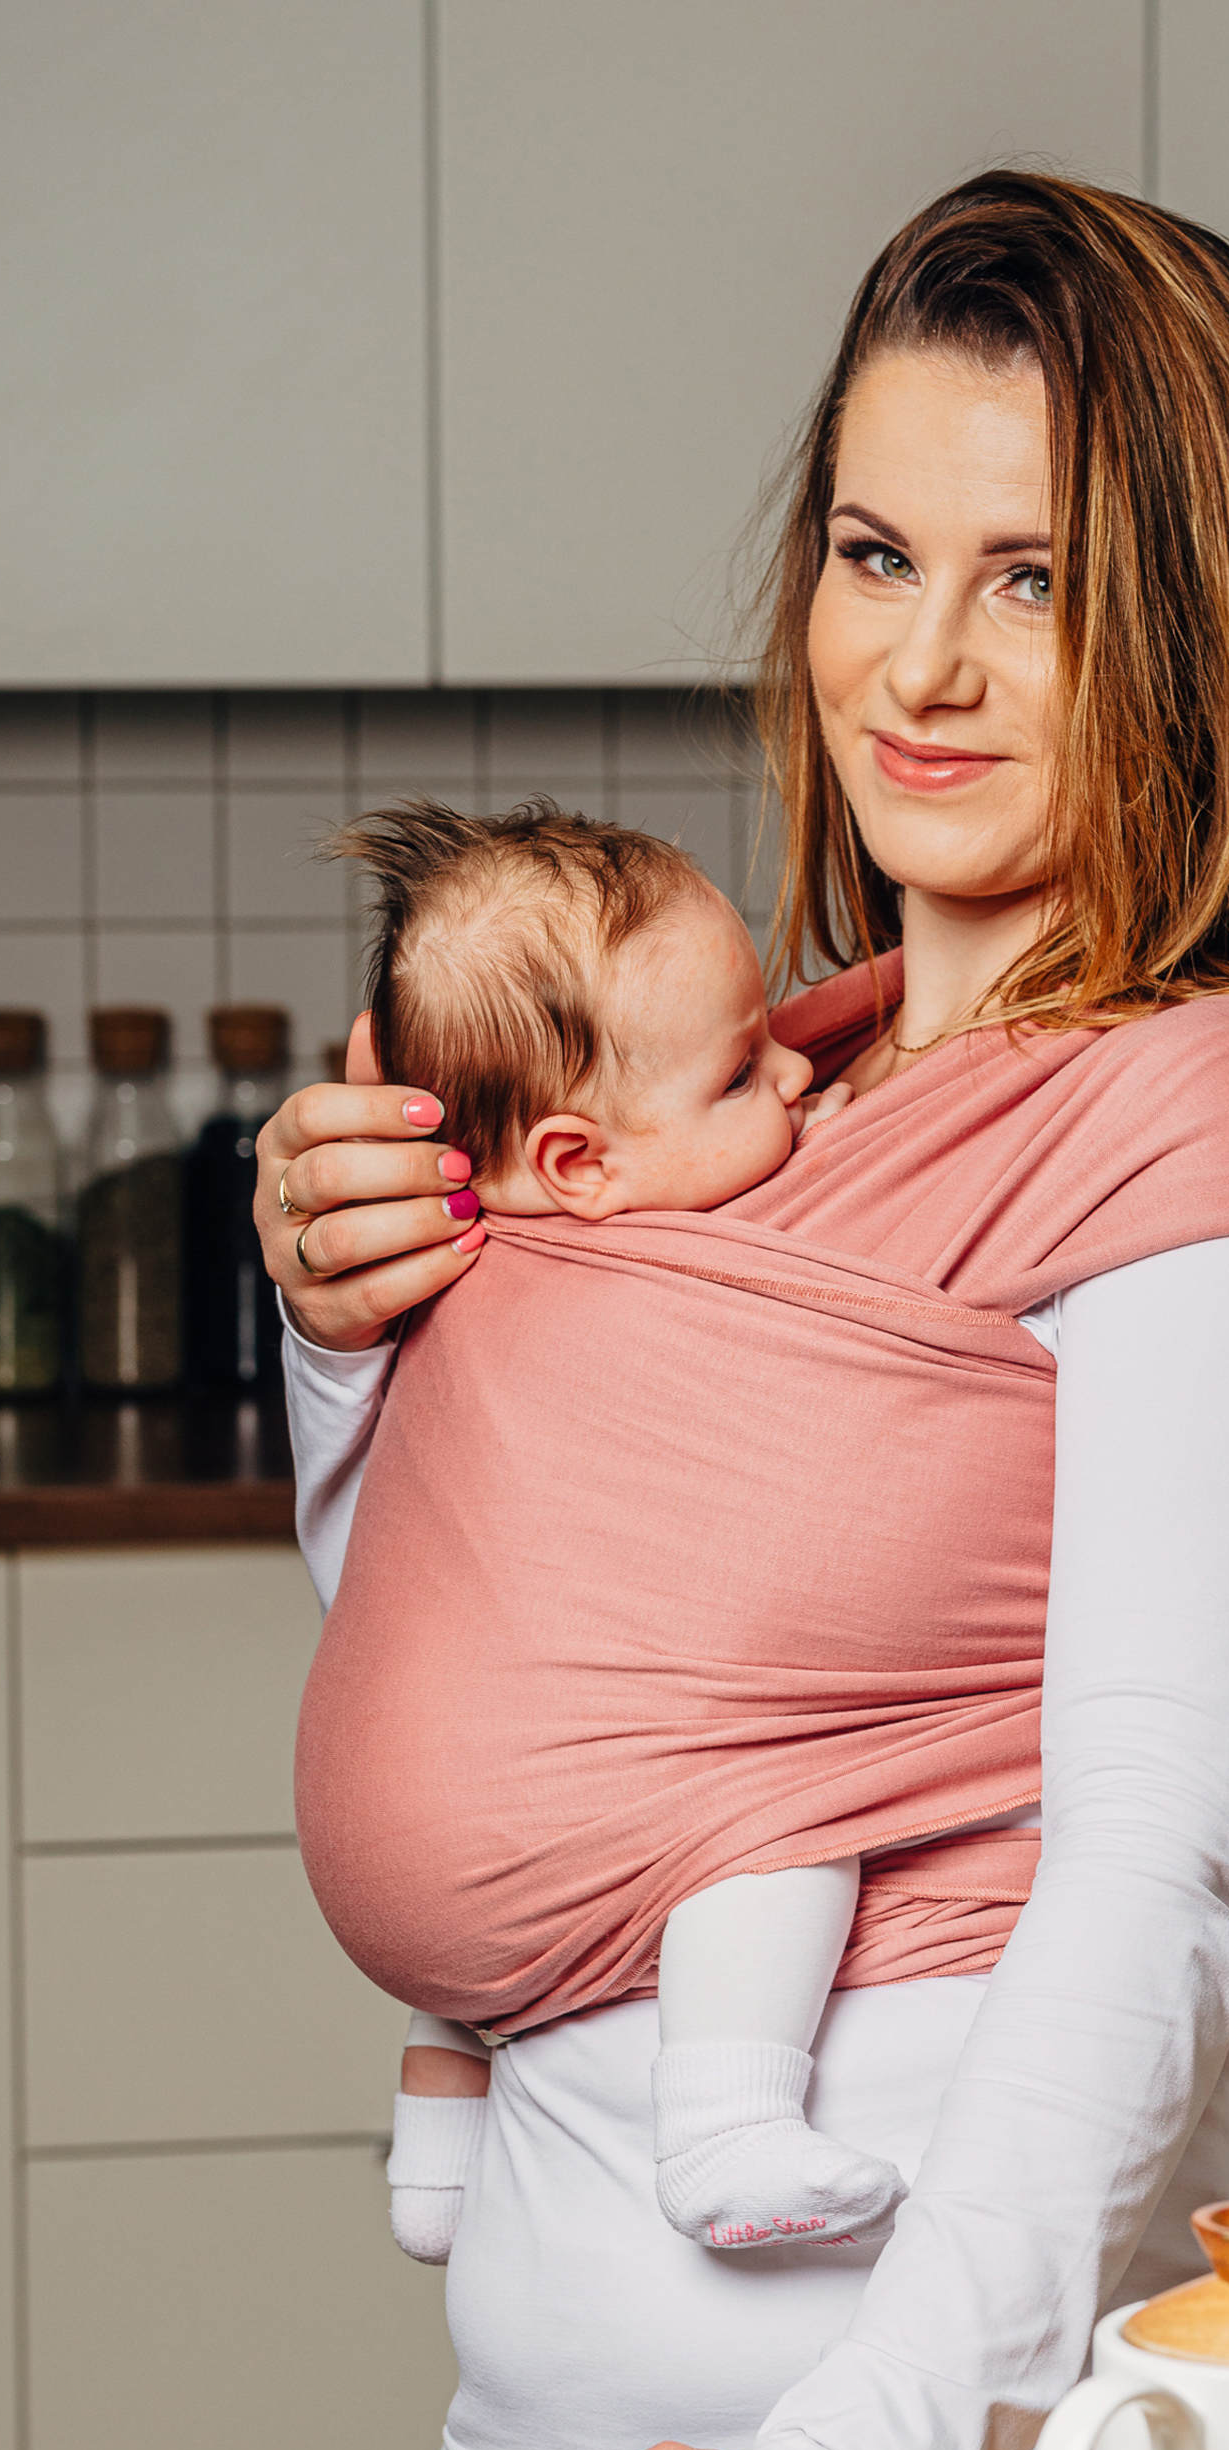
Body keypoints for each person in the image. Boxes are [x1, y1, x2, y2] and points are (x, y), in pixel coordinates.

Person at [259, 171, 1229, 2450]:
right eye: (875, 553)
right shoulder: (759, 1082)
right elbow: (536, 1689)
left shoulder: (1226, 1127)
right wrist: (345, 1323)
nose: (919, 664)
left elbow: (1161, 1859)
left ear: (1193, 638)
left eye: (1033, 581)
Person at [309, 792, 907, 2255]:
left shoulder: (448, 1272)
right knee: (778, 1812)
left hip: (385, 1814)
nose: (796, 1070)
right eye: (741, 1072)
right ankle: (724, 2124)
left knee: (505, 1771)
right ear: (581, 1167)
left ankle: (439, 2154)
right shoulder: (674, 1255)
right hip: (561, 1813)